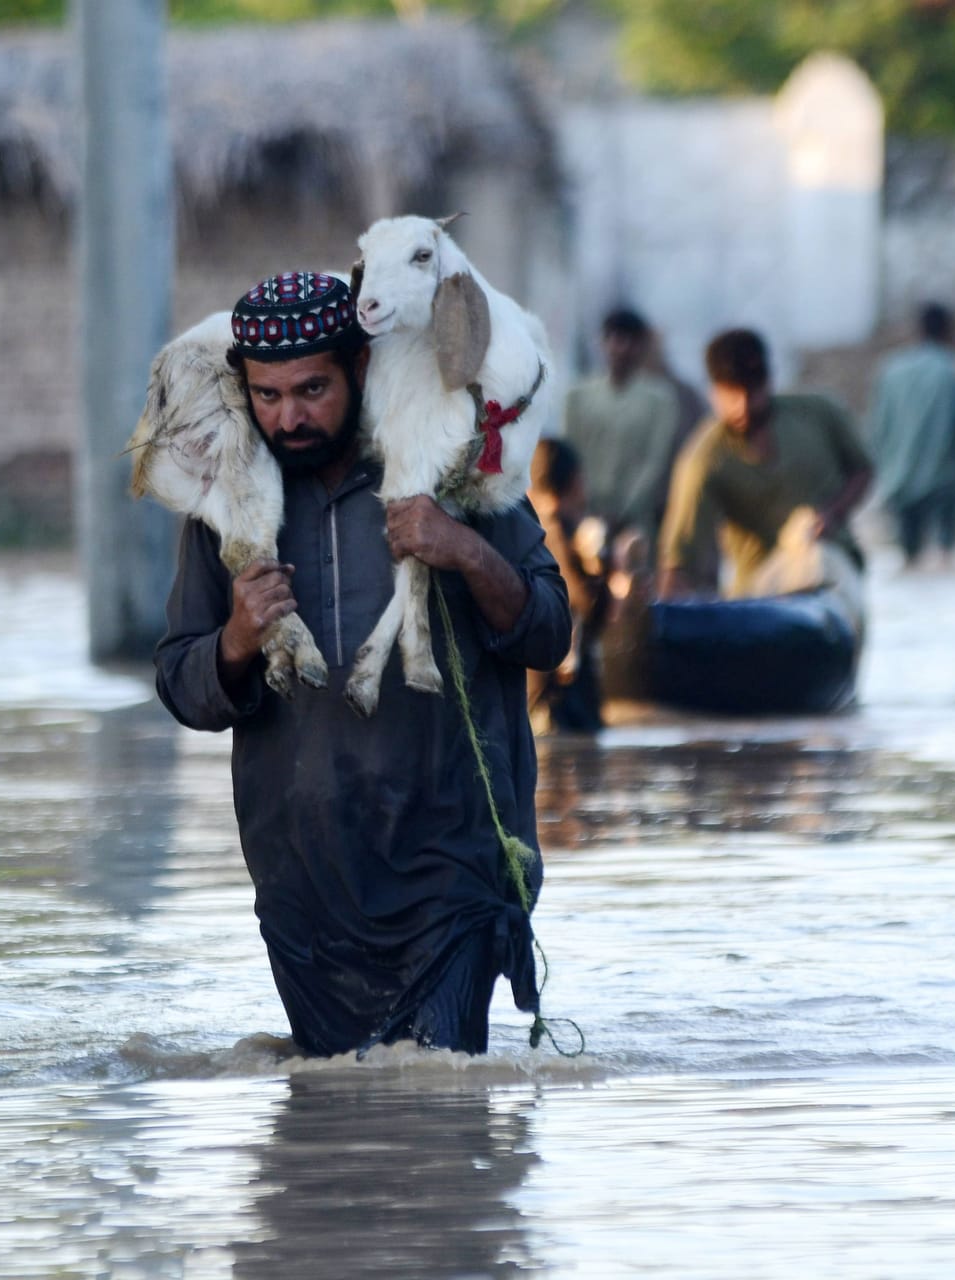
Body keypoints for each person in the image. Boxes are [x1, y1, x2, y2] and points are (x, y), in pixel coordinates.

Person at [154, 271, 571, 1057]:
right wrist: (238, 638)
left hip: (450, 863)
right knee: (331, 1137)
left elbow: (549, 635)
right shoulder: (230, 506)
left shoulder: (453, 464)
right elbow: (183, 686)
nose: (290, 417)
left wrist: (467, 551)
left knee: (439, 1106)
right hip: (304, 879)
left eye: (312, 390)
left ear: (362, 368)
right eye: (268, 396)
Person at [658, 329, 874, 599]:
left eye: (752, 392)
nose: (743, 407)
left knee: (818, 563)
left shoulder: (819, 413)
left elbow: (863, 470)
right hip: (761, 584)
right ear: (713, 392)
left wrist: (832, 514)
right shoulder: (704, 459)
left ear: (768, 382)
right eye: (731, 395)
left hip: (834, 567)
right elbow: (680, 556)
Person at [562, 308, 687, 552]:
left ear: (642, 346)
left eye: (631, 341)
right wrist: (588, 507)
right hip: (585, 516)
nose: (622, 348)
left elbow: (655, 461)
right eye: (615, 339)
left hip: (636, 521)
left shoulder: (660, 399)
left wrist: (623, 511)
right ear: (602, 343)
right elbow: (571, 454)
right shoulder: (577, 397)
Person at [866, 302, 955, 570]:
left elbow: (878, 426)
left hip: (899, 477)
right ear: (950, 332)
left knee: (908, 561)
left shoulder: (891, 369)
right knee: (946, 560)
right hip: (944, 478)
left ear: (918, 331)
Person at [526, 438, 608, 733]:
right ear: (575, 483)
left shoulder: (528, 530)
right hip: (559, 703)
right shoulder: (557, 531)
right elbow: (585, 601)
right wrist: (601, 570)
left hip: (539, 694)